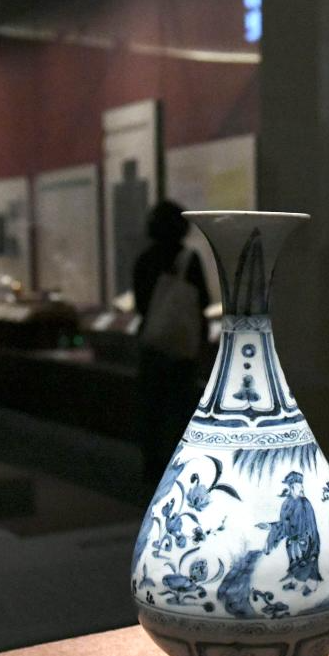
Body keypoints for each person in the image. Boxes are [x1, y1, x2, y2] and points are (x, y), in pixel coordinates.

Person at [133, 200, 209, 485]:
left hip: (152, 345)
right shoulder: (189, 259)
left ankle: (151, 470)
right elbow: (201, 302)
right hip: (182, 349)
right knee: (180, 410)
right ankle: (180, 471)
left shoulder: (144, 259)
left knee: (152, 410)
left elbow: (141, 304)